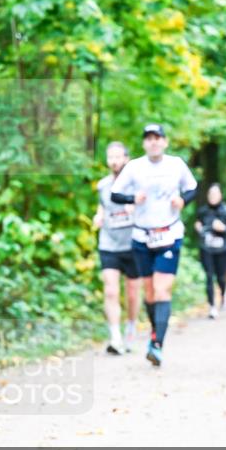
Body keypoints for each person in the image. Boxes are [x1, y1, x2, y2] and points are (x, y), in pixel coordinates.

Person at [110, 123, 197, 367]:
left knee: (162, 290)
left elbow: (193, 188)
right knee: (148, 292)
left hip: (169, 233)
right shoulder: (134, 167)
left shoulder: (176, 164)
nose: (154, 142)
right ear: (144, 143)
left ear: (165, 142)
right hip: (141, 236)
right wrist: (132, 198)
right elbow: (115, 194)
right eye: (149, 138)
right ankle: (154, 333)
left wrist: (182, 200)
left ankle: (157, 344)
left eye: (157, 138)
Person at [94, 141, 142, 354]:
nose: (113, 161)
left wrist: (136, 210)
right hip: (109, 243)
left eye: (117, 156)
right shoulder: (103, 185)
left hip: (133, 243)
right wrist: (99, 215)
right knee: (111, 291)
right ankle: (115, 337)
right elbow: (103, 206)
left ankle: (131, 328)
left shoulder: (136, 185)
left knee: (132, 293)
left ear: (126, 158)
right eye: (110, 157)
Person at [195, 183, 226, 319]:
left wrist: (224, 228)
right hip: (206, 248)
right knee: (208, 276)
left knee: (221, 277)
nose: (212, 197)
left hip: (222, 249)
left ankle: (224, 294)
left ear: (220, 195)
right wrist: (198, 228)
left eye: (215, 194)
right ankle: (212, 306)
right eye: (210, 194)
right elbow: (197, 224)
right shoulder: (202, 211)